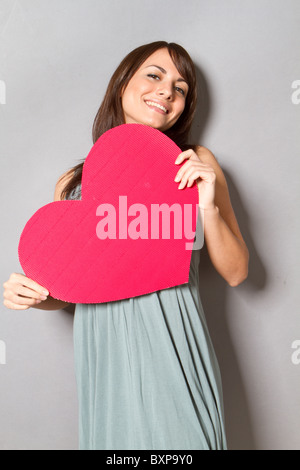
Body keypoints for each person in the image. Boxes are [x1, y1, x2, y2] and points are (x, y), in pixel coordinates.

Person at [3, 41, 249, 450]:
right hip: (104, 346)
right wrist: (32, 295)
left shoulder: (194, 162)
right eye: (154, 75)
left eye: (181, 88)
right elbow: (67, 291)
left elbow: (238, 272)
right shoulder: (73, 183)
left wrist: (206, 205)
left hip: (173, 336)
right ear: (122, 85)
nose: (167, 91)